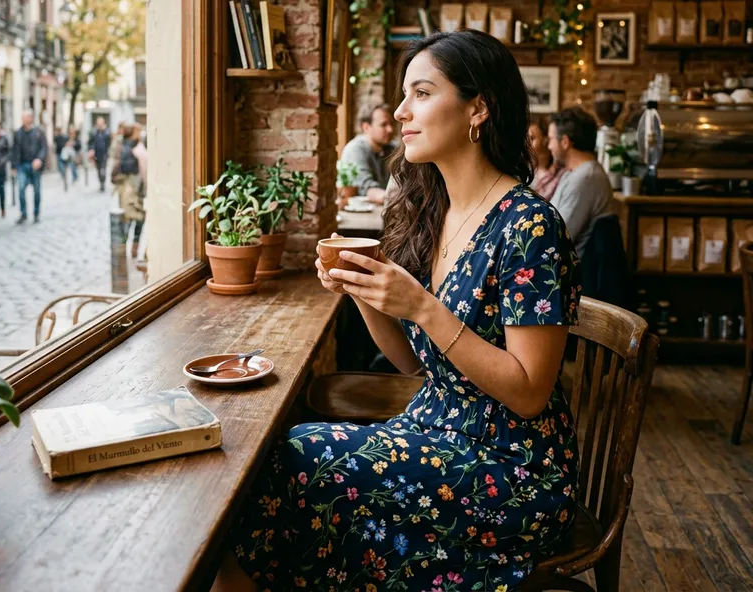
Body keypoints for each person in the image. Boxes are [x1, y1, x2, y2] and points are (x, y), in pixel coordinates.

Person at [221, 30, 581, 591]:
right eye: (403, 94)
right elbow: (416, 366)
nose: (401, 111)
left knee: (295, 456)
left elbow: (530, 391)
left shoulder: (530, 225)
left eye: (421, 93)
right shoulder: (435, 212)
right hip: (436, 428)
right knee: (276, 467)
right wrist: (367, 292)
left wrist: (424, 307)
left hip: (512, 470)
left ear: (477, 108)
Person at [548, 107, 615, 257]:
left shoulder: (586, 178)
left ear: (565, 142)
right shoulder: (576, 174)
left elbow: (557, 238)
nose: (549, 146)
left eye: (551, 139)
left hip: (569, 274)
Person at [340, 103, 396, 204]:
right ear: (366, 127)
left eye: (391, 124)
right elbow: (366, 187)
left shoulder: (392, 148)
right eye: (384, 125)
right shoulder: (355, 149)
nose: (390, 129)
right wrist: (395, 198)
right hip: (361, 215)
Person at [112, 122, 147, 258]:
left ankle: (125, 250)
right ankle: (133, 249)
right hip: (134, 190)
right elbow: (142, 172)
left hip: (125, 191)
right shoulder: (136, 149)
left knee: (126, 221)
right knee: (138, 220)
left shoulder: (121, 146)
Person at [12, 110, 48, 224]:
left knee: (36, 191)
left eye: (26, 117)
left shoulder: (39, 132)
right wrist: (14, 166)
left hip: (35, 165)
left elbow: (44, 147)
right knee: (21, 190)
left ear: (31, 118)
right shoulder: (18, 133)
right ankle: (23, 214)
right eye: (23, 117)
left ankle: (36, 214)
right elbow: (15, 150)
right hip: (22, 165)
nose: (24, 119)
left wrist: (39, 159)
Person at [528, 114, 564, 200]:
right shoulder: (521, 171)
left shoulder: (560, 173)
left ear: (546, 140)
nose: (526, 144)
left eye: (531, 138)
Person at [88, 117, 112, 192]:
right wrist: (91, 150)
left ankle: (103, 183)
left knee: (103, 169)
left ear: (103, 124)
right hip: (96, 155)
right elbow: (90, 143)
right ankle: (101, 183)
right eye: (98, 124)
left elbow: (109, 143)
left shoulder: (107, 133)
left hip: (104, 154)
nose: (100, 126)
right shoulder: (94, 132)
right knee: (98, 170)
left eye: (101, 124)